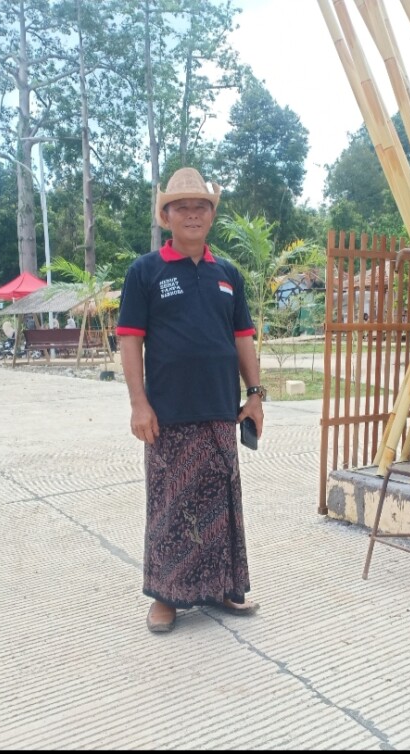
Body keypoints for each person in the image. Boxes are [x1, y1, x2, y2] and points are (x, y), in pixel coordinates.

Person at [116, 167, 265, 634]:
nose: (193, 214)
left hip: (221, 409)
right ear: (166, 216)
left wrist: (255, 395)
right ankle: (166, 597)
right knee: (169, 508)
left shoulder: (228, 275)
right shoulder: (145, 272)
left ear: (211, 216)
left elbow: (243, 337)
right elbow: (129, 340)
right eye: (182, 207)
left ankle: (223, 586)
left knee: (221, 505)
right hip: (168, 414)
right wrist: (139, 404)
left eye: (201, 207)